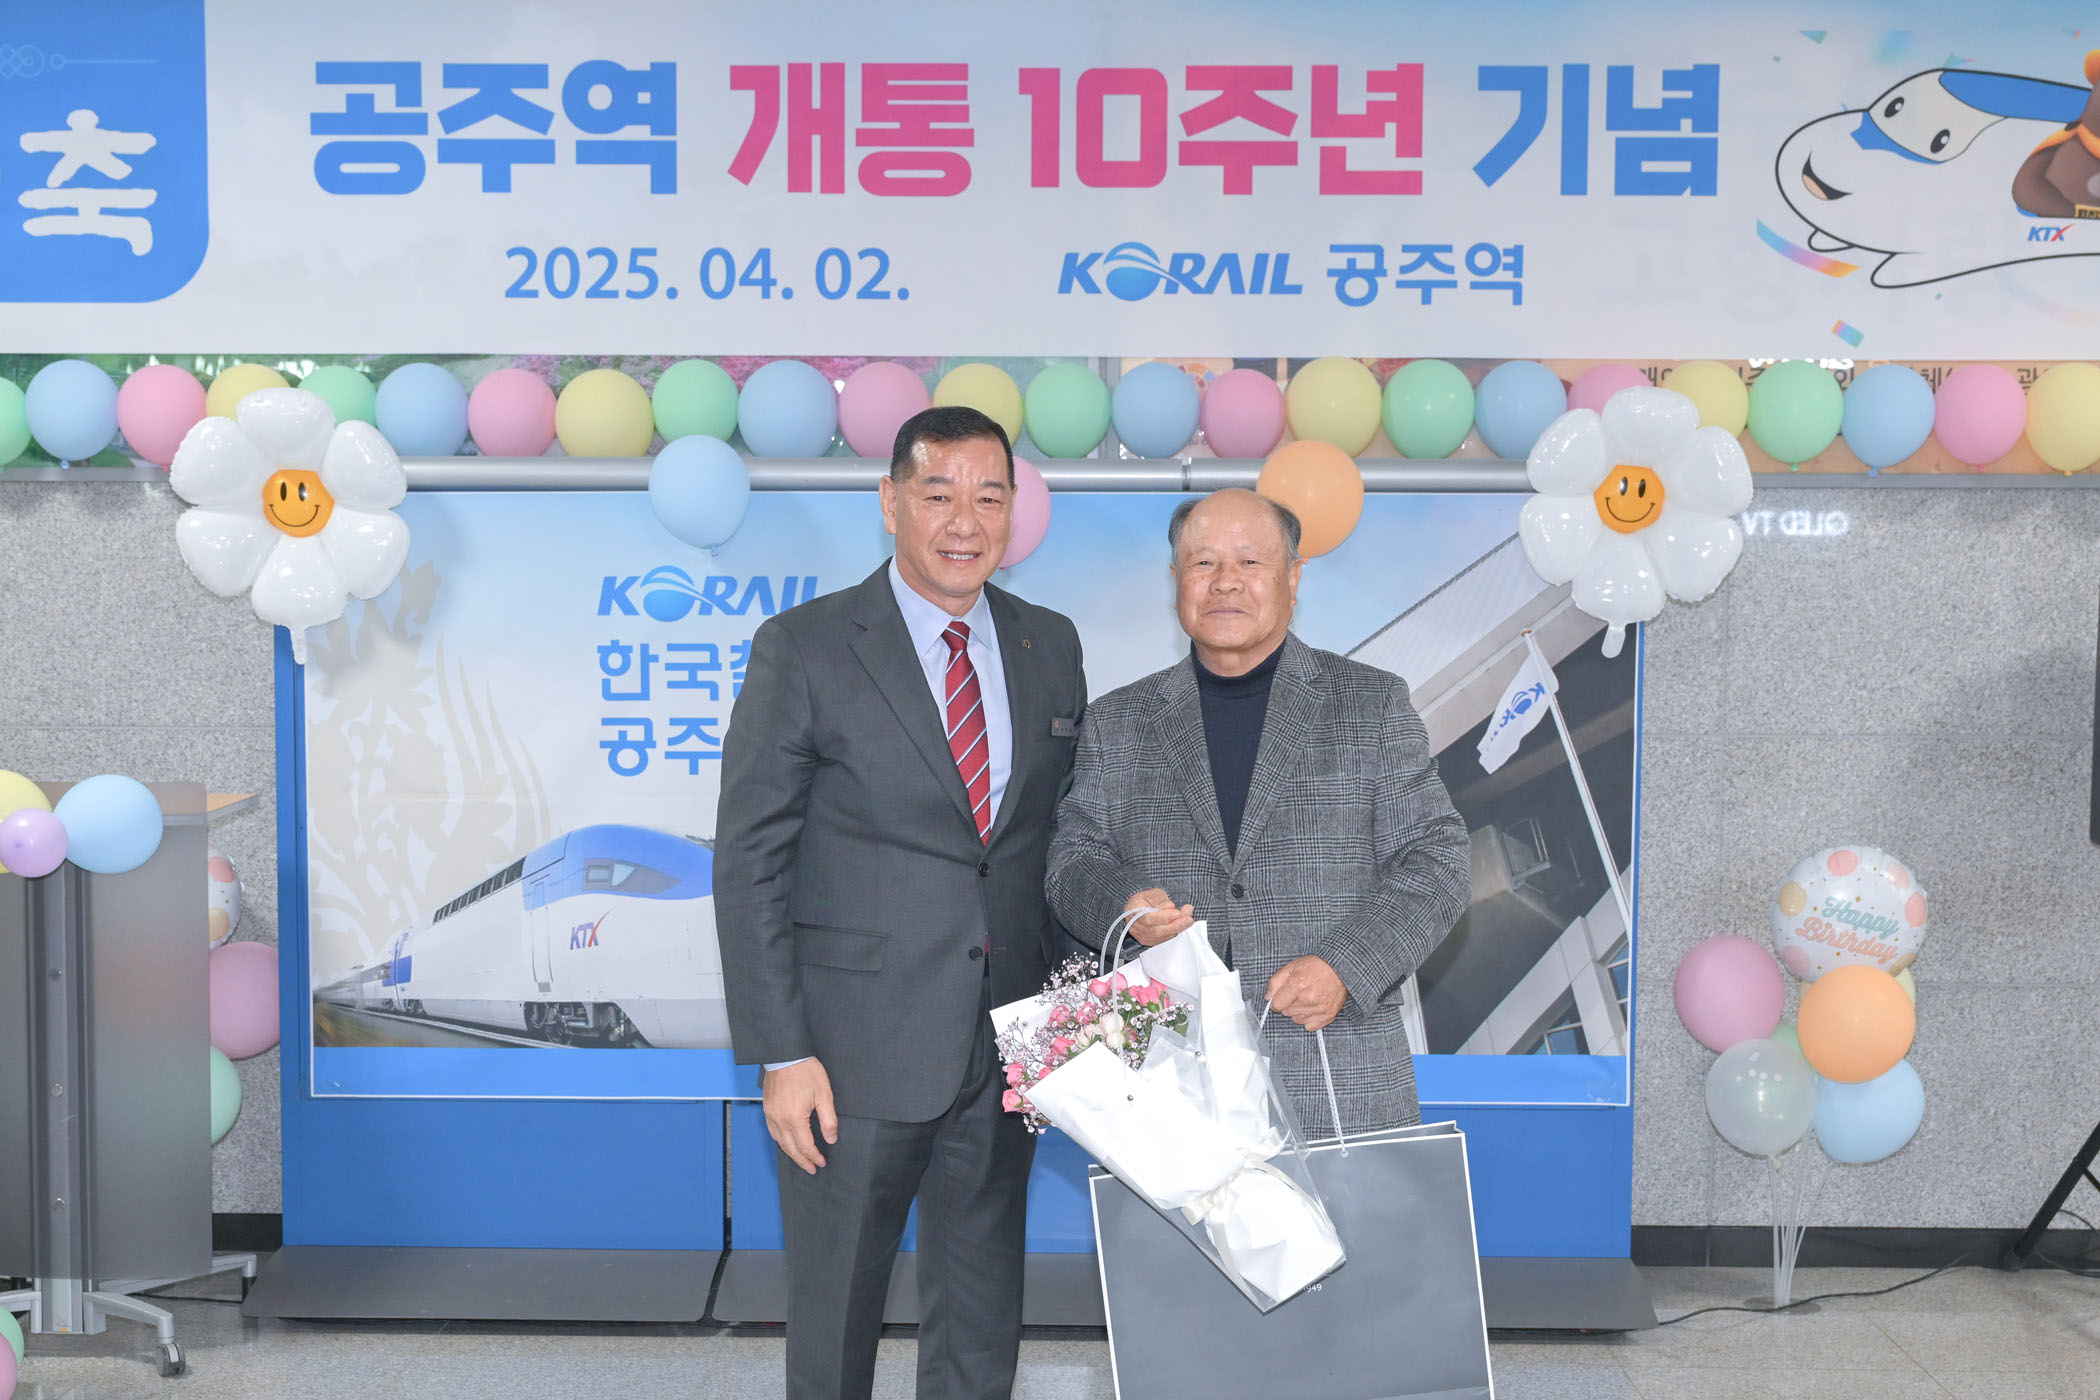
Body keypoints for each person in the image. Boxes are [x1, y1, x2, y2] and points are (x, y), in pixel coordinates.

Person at [716, 405, 1087, 1400]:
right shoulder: (806, 646)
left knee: (981, 1313)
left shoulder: (1049, 643)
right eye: (938, 494)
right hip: (850, 1052)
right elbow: (750, 860)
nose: (965, 521)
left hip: (1005, 1042)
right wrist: (782, 1053)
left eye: (990, 497)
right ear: (890, 503)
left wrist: (1071, 1020)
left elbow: (1054, 839)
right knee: (837, 1312)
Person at [1045, 487, 1468, 1136]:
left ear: (1293, 578)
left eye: (1250, 562)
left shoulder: (1371, 704)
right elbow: (1073, 859)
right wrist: (1123, 906)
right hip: (1169, 1098)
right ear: (1176, 580)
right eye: (1204, 562)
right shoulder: (1117, 720)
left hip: (1336, 1076)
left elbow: (1438, 862)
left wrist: (1346, 965)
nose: (1225, 582)